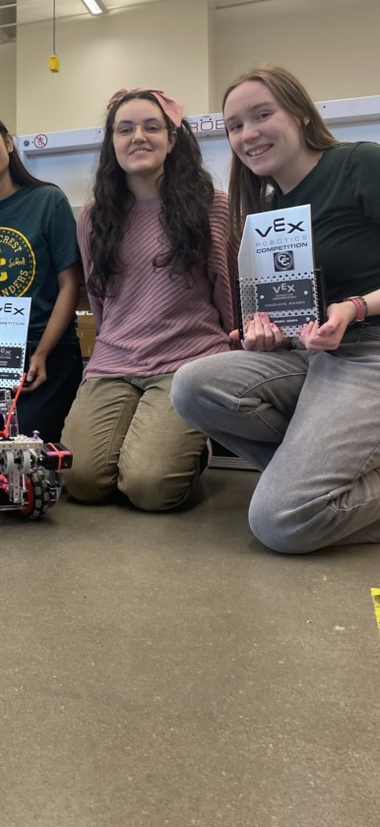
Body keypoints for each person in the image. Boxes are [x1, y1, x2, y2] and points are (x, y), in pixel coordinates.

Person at [171, 63, 380, 553]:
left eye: (262, 115)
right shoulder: (266, 208)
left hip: (369, 352)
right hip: (316, 356)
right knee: (192, 386)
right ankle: (313, 476)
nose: (248, 134)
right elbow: (296, 315)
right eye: (235, 126)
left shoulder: (360, 164)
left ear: (302, 114)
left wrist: (355, 308)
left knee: (282, 521)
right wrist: (269, 335)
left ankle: (304, 492)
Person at [61, 88, 236, 510]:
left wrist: (232, 361)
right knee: (80, 480)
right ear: (112, 143)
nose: (138, 137)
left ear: (172, 139)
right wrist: (114, 347)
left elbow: (228, 291)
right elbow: (101, 303)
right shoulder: (94, 216)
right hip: (114, 362)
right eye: (125, 129)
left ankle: (194, 446)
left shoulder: (212, 205)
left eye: (151, 127)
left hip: (187, 361)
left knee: (150, 489)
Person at [0, 107, 83, 445]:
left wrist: (42, 353)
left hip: (46, 353)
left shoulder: (49, 201)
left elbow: (70, 285)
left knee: (24, 445)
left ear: (8, 142)